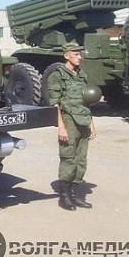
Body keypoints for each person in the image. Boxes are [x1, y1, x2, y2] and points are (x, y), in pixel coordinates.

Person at [47, 42, 97, 211]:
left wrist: (91, 123)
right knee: (68, 158)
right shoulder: (57, 75)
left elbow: (87, 101)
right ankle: (65, 197)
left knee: (81, 159)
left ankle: (76, 195)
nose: (80, 57)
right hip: (68, 120)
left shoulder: (82, 74)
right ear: (66, 55)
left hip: (83, 119)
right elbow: (55, 103)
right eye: (76, 54)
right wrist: (61, 126)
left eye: (80, 54)